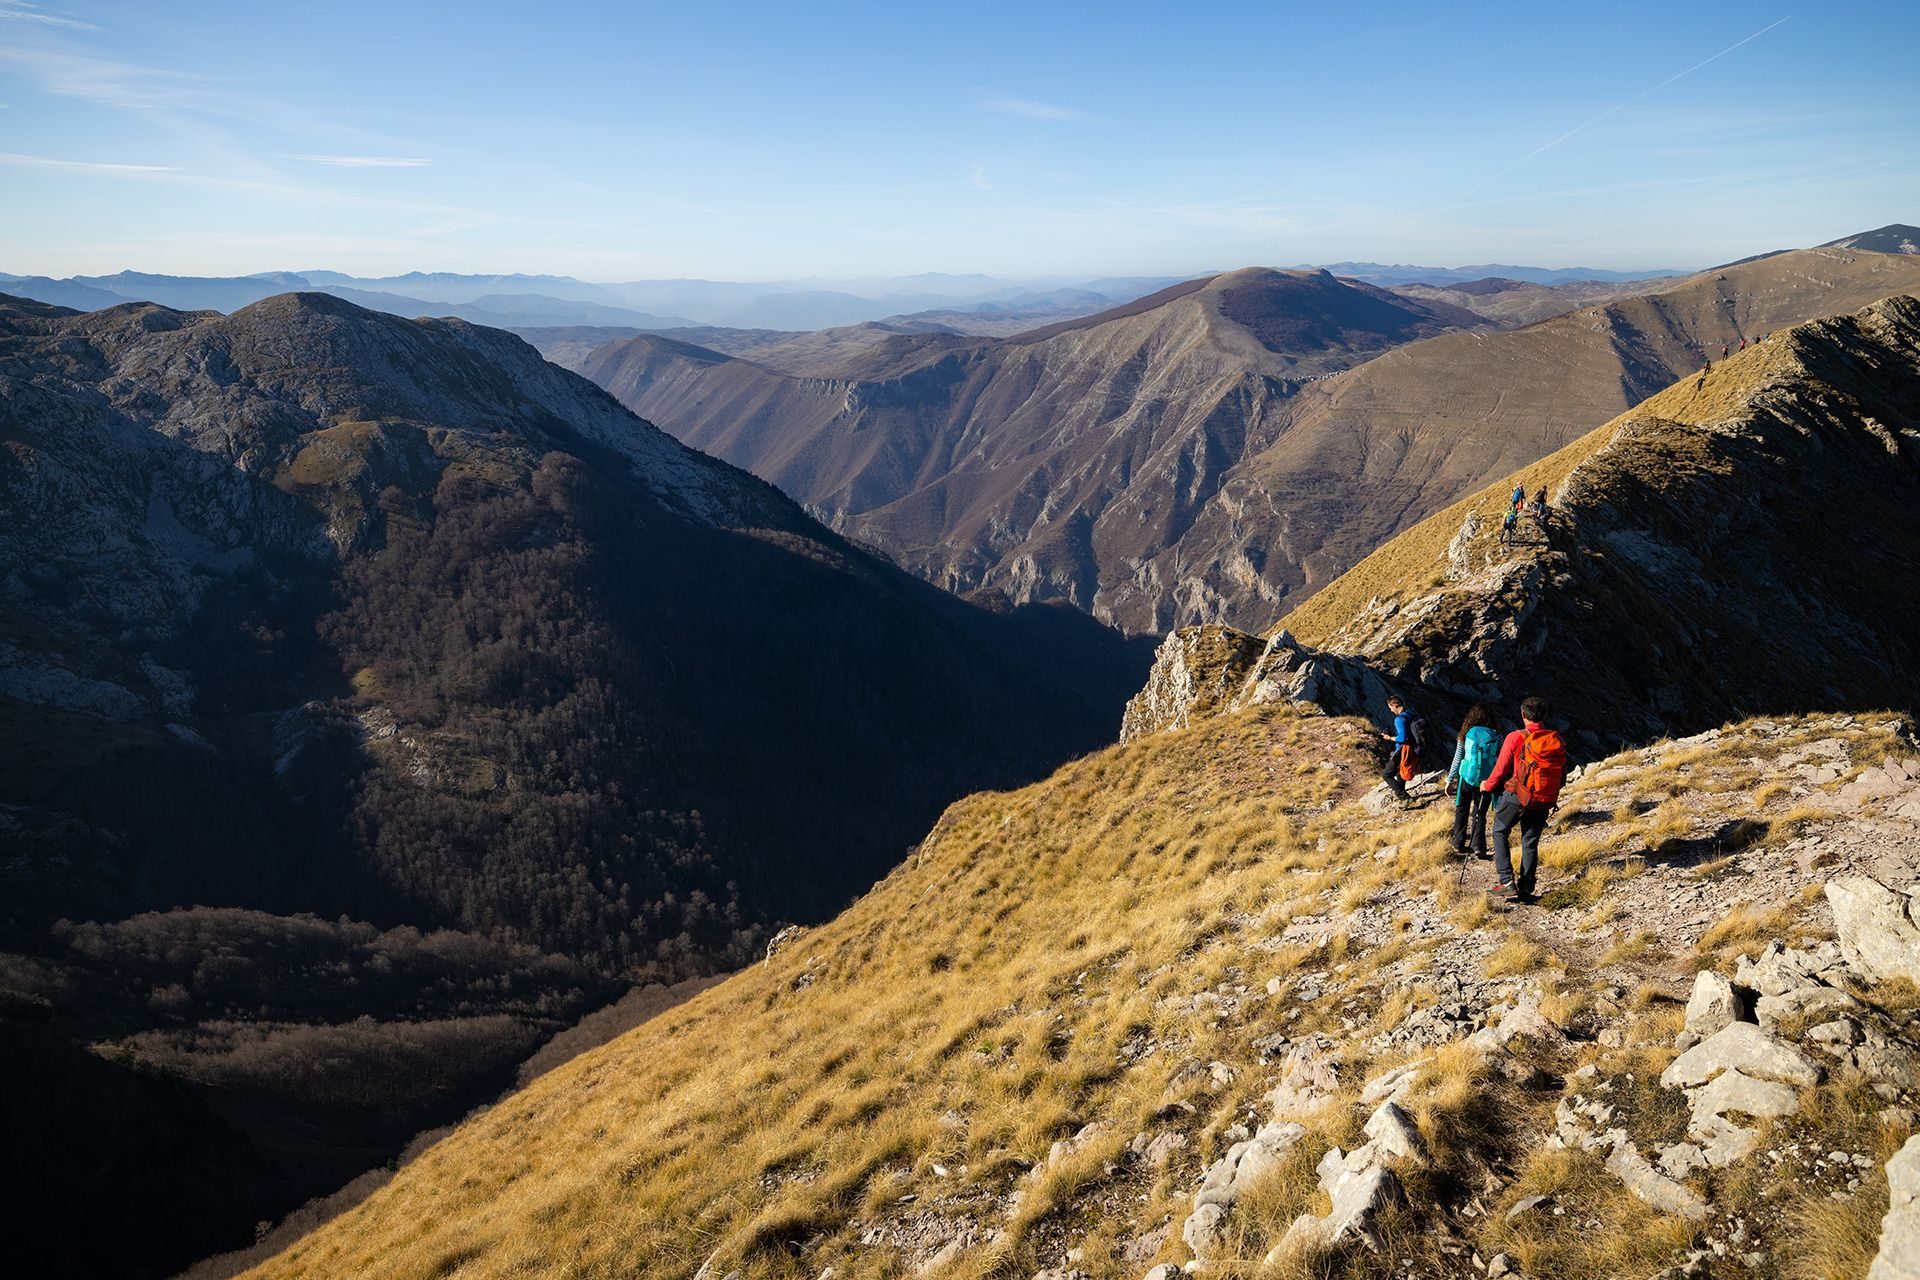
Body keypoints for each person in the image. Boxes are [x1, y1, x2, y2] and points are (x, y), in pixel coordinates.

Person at [1480, 695, 1568, 901]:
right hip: (1543, 797)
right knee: (1530, 840)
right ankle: (1527, 886)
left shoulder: (1515, 737)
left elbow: (1500, 770)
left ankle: (1507, 881)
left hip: (1517, 795)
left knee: (1500, 830)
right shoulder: (1555, 740)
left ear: (1523, 715)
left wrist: (1487, 785)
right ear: (1544, 716)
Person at [1447, 702, 1500, 859]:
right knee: (1480, 813)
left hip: (1466, 778)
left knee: (1462, 808)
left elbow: (1458, 758)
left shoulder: (1465, 734)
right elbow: (1502, 758)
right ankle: (1479, 846)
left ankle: (1458, 842)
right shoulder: (1497, 735)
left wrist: (1450, 780)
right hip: (1487, 780)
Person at [1380, 695, 1425, 803]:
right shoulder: (1411, 715)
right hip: (1414, 748)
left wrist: (1390, 738)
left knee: (1386, 774)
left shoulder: (1399, 719)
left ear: (1395, 705)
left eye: (1390, 707)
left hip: (1403, 750)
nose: (1390, 710)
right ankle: (1402, 797)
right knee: (1401, 772)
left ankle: (1405, 797)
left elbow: (1403, 738)